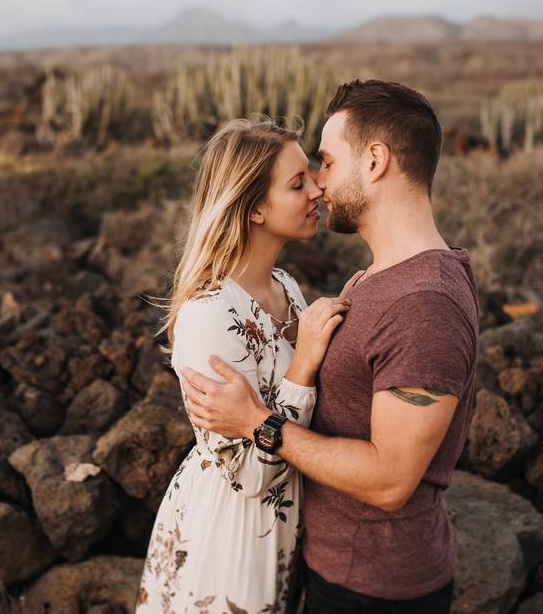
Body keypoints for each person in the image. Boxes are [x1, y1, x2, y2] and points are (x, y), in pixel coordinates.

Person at [182, 79, 480, 613]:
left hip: (372, 585)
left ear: (375, 161)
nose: (320, 183)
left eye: (325, 161)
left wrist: (257, 424)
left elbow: (390, 480)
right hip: (323, 562)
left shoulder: (423, 304)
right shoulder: (379, 279)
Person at [135, 117, 352, 613]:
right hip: (232, 539)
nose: (319, 188)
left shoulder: (286, 288)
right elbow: (250, 476)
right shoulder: (208, 315)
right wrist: (305, 365)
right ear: (254, 208)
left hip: (288, 531)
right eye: (298, 183)